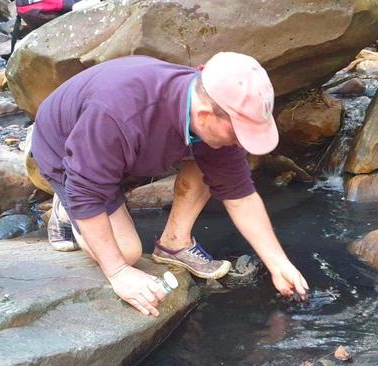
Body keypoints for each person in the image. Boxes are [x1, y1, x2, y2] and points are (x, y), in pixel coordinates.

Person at [30, 52, 309, 316]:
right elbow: (86, 194)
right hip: (65, 146)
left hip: (121, 149)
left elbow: (240, 194)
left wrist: (278, 262)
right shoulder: (119, 113)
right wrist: (117, 273)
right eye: (239, 132)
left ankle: (174, 242)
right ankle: (63, 207)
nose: (241, 141)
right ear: (204, 115)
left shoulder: (210, 108)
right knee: (126, 252)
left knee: (217, 154)